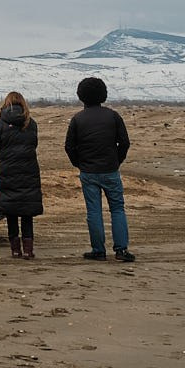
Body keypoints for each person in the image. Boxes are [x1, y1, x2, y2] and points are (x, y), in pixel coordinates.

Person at [64, 75, 133, 263]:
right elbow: (124, 142)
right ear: (103, 94)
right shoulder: (113, 116)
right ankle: (121, 250)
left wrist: (80, 163)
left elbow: (69, 147)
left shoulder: (78, 119)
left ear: (81, 96)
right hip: (110, 169)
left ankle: (98, 250)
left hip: (89, 171)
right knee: (117, 209)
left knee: (94, 211)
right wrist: (116, 161)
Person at [0, 91, 42, 260]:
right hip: (29, 171)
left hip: (6, 171)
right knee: (27, 212)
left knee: (11, 212)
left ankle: (15, 249)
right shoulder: (31, 123)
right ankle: (28, 250)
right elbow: (33, 144)